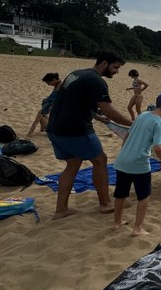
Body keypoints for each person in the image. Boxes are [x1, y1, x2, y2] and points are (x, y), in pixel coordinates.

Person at [47, 52, 132, 220]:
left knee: (73, 164)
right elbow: (109, 109)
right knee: (100, 160)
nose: (116, 71)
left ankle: (61, 209)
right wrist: (133, 124)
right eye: (115, 67)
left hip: (55, 128)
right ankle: (105, 203)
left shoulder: (76, 74)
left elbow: (74, 101)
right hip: (75, 130)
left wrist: (98, 117)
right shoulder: (96, 81)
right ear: (103, 63)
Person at [112, 92, 161, 237]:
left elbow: (127, 135)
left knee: (121, 193)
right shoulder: (159, 123)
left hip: (123, 160)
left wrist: (125, 151)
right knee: (144, 195)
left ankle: (117, 222)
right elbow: (157, 147)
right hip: (139, 163)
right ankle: (137, 228)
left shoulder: (142, 115)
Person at [26, 73, 62, 137]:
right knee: (42, 117)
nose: (48, 84)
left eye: (48, 82)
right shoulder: (57, 85)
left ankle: (29, 134)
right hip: (52, 105)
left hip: (55, 106)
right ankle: (44, 130)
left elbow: (56, 98)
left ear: (53, 79)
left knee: (40, 115)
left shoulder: (61, 85)